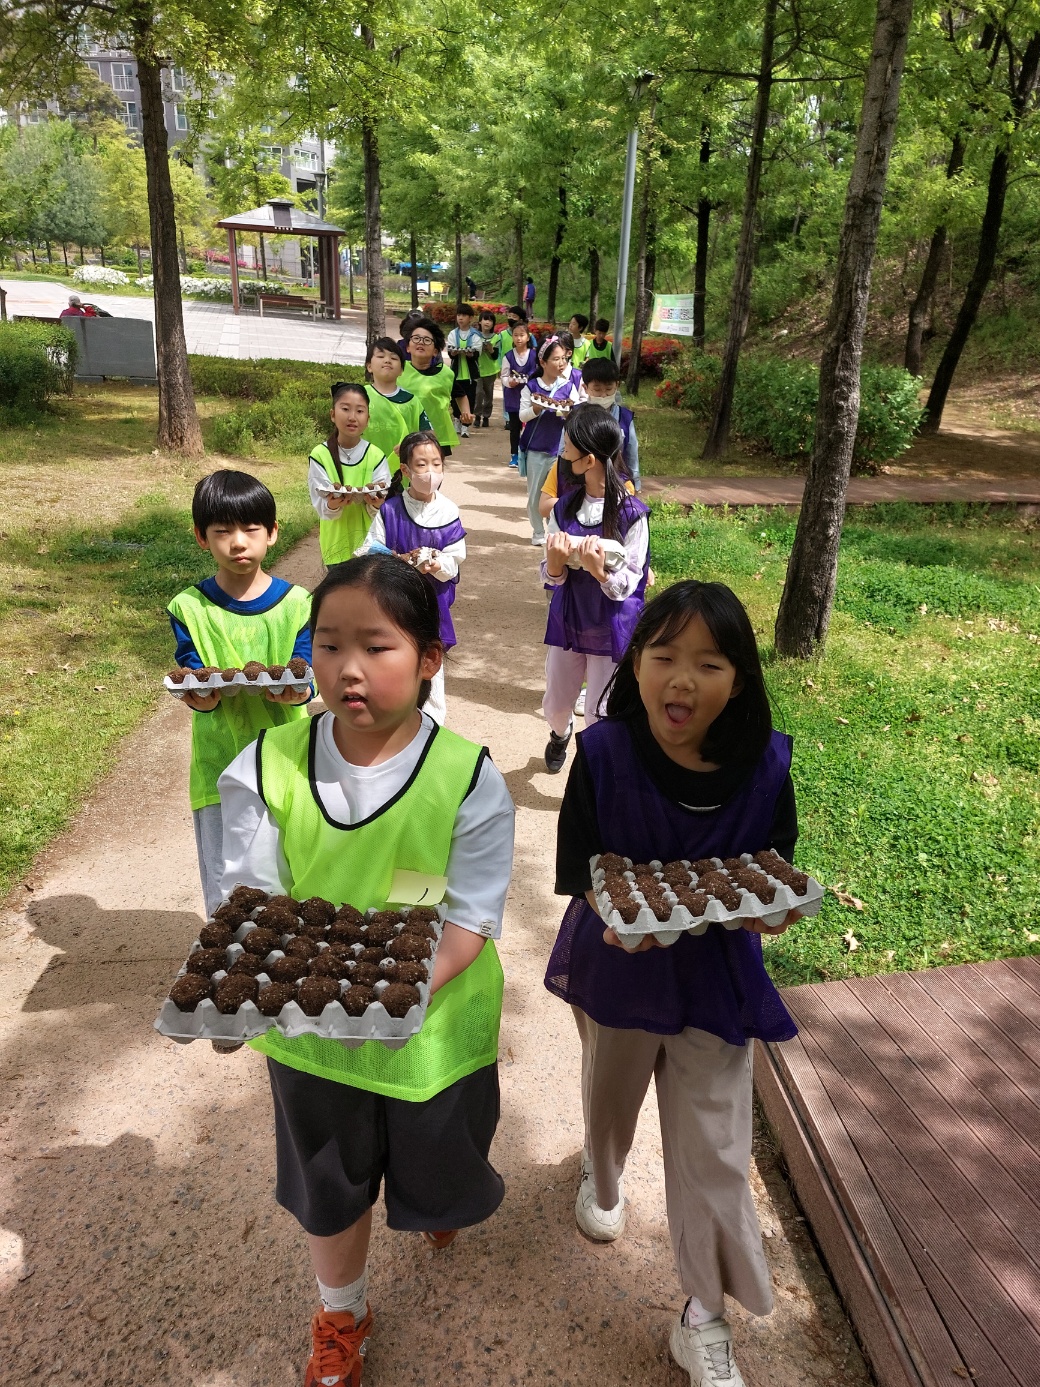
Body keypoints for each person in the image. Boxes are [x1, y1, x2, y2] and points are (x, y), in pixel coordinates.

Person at [216, 555, 515, 1387]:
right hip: (314, 1040)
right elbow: (251, 896)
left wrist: (397, 995)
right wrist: (263, 991)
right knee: (329, 1178)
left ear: (429, 659)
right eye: (328, 644)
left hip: (431, 1020)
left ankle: (437, 1204)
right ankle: (341, 1308)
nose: (348, 668)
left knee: (438, 1161)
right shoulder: (268, 764)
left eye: (377, 646)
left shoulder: (467, 778)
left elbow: (470, 916)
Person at [543, 580, 801, 1387]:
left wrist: (770, 913)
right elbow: (580, 866)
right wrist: (618, 908)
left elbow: (772, 865)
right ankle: (602, 1167)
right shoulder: (605, 754)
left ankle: (704, 1317)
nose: (681, 679)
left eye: (708, 662)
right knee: (610, 1097)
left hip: (717, 976)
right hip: (619, 966)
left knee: (718, 1149)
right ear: (636, 663)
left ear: (740, 680)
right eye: (663, 656)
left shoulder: (764, 764)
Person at [168, 469, 312, 916]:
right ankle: (228, 961)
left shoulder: (297, 604)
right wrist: (199, 695)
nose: (238, 542)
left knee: (293, 870)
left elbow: (305, 670)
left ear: (272, 533)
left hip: (288, 760)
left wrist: (296, 692)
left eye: (251, 529)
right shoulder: (189, 607)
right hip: (219, 761)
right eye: (222, 531)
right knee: (226, 877)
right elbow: (193, 671)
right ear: (200, 537)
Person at [540, 405, 649, 770]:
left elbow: (630, 582)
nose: (563, 451)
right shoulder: (564, 508)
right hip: (570, 615)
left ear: (588, 460)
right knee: (555, 704)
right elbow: (549, 573)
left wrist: (600, 573)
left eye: (568, 445)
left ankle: (594, 775)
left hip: (611, 622)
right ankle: (560, 733)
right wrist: (554, 567)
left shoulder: (631, 514)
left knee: (600, 712)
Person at [356, 432, 465, 725]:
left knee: (432, 676)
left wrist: (435, 562)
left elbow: (454, 563)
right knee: (391, 665)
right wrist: (397, 560)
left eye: (436, 464)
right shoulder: (390, 510)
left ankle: (431, 734)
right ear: (405, 470)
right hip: (392, 605)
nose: (430, 472)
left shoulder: (448, 511)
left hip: (432, 608)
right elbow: (369, 549)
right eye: (421, 465)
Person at [309, 383, 394, 566]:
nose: (352, 417)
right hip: (335, 544)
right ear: (333, 414)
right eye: (345, 409)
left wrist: (377, 503)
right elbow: (321, 506)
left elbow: (383, 503)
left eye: (360, 411)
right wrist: (332, 504)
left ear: (368, 418)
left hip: (370, 545)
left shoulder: (376, 455)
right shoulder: (320, 455)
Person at [518, 338, 586, 545]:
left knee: (559, 492)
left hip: (562, 450)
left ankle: (555, 529)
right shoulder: (531, 386)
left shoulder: (568, 387)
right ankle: (538, 531)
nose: (561, 363)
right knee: (535, 493)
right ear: (543, 362)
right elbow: (522, 416)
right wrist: (536, 409)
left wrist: (567, 414)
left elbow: (576, 413)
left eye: (563, 359)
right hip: (537, 448)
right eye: (555, 359)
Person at [399, 317, 459, 455]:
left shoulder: (446, 374)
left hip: (436, 436)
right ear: (408, 347)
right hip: (403, 435)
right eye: (416, 339)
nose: (421, 342)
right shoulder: (398, 370)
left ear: (435, 351)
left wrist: (465, 412)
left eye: (427, 340)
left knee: (431, 474)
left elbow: (459, 393)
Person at [363, 339, 432, 459]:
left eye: (394, 358)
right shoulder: (359, 397)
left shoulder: (411, 401)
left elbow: (429, 435)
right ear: (369, 367)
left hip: (402, 471)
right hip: (366, 468)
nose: (387, 360)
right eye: (380, 356)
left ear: (401, 370)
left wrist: (412, 445)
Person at [582, 356, 641, 490]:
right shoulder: (576, 416)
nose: (603, 395)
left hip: (616, 483)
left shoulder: (625, 418)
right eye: (597, 389)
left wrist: (635, 484)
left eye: (609, 389)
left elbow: (632, 453)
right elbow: (564, 451)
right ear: (585, 388)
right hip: (582, 484)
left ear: (617, 385)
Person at [500, 320, 538, 469]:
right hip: (513, 396)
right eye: (515, 335)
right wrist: (510, 382)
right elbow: (503, 376)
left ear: (528, 337)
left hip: (530, 397)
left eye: (522, 335)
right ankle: (514, 455)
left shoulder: (534, 356)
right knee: (515, 428)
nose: (518, 338)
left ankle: (527, 453)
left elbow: (537, 375)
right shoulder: (508, 356)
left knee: (529, 426)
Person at [446, 303, 481, 438]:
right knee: (454, 399)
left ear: (470, 318)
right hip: (456, 373)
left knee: (470, 399)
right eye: (459, 315)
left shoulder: (475, 334)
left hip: (470, 375)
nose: (460, 318)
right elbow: (450, 351)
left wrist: (470, 353)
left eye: (464, 315)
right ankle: (457, 420)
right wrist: (454, 353)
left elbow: (477, 352)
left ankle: (466, 426)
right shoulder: (453, 334)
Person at [473, 310, 500, 428]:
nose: (487, 322)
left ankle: (486, 416)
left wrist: (490, 349)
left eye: (490, 320)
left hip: (490, 370)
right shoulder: (474, 335)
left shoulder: (496, 337)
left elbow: (495, 356)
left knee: (488, 395)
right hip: (477, 369)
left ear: (493, 323)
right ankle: (477, 416)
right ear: (480, 321)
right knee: (478, 394)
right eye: (485, 319)